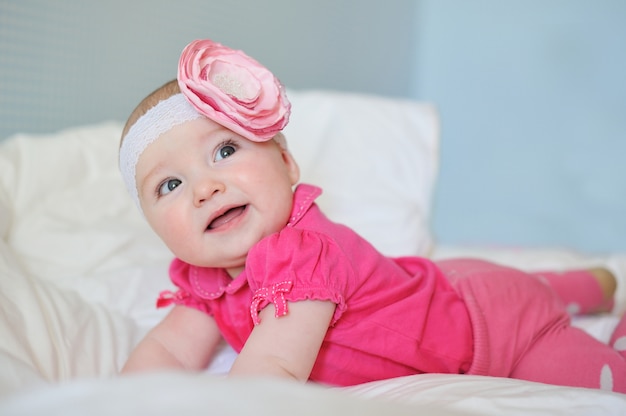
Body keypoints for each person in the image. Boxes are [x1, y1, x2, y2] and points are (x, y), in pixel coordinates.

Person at [119, 39, 626, 393]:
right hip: (447, 284)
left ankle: (599, 298)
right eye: (170, 185)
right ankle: (596, 283)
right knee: (518, 283)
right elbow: (171, 352)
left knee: (598, 377)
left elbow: (270, 370)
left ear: (287, 163)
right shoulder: (207, 280)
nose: (205, 188)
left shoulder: (301, 253)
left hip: (492, 331)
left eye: (225, 151)